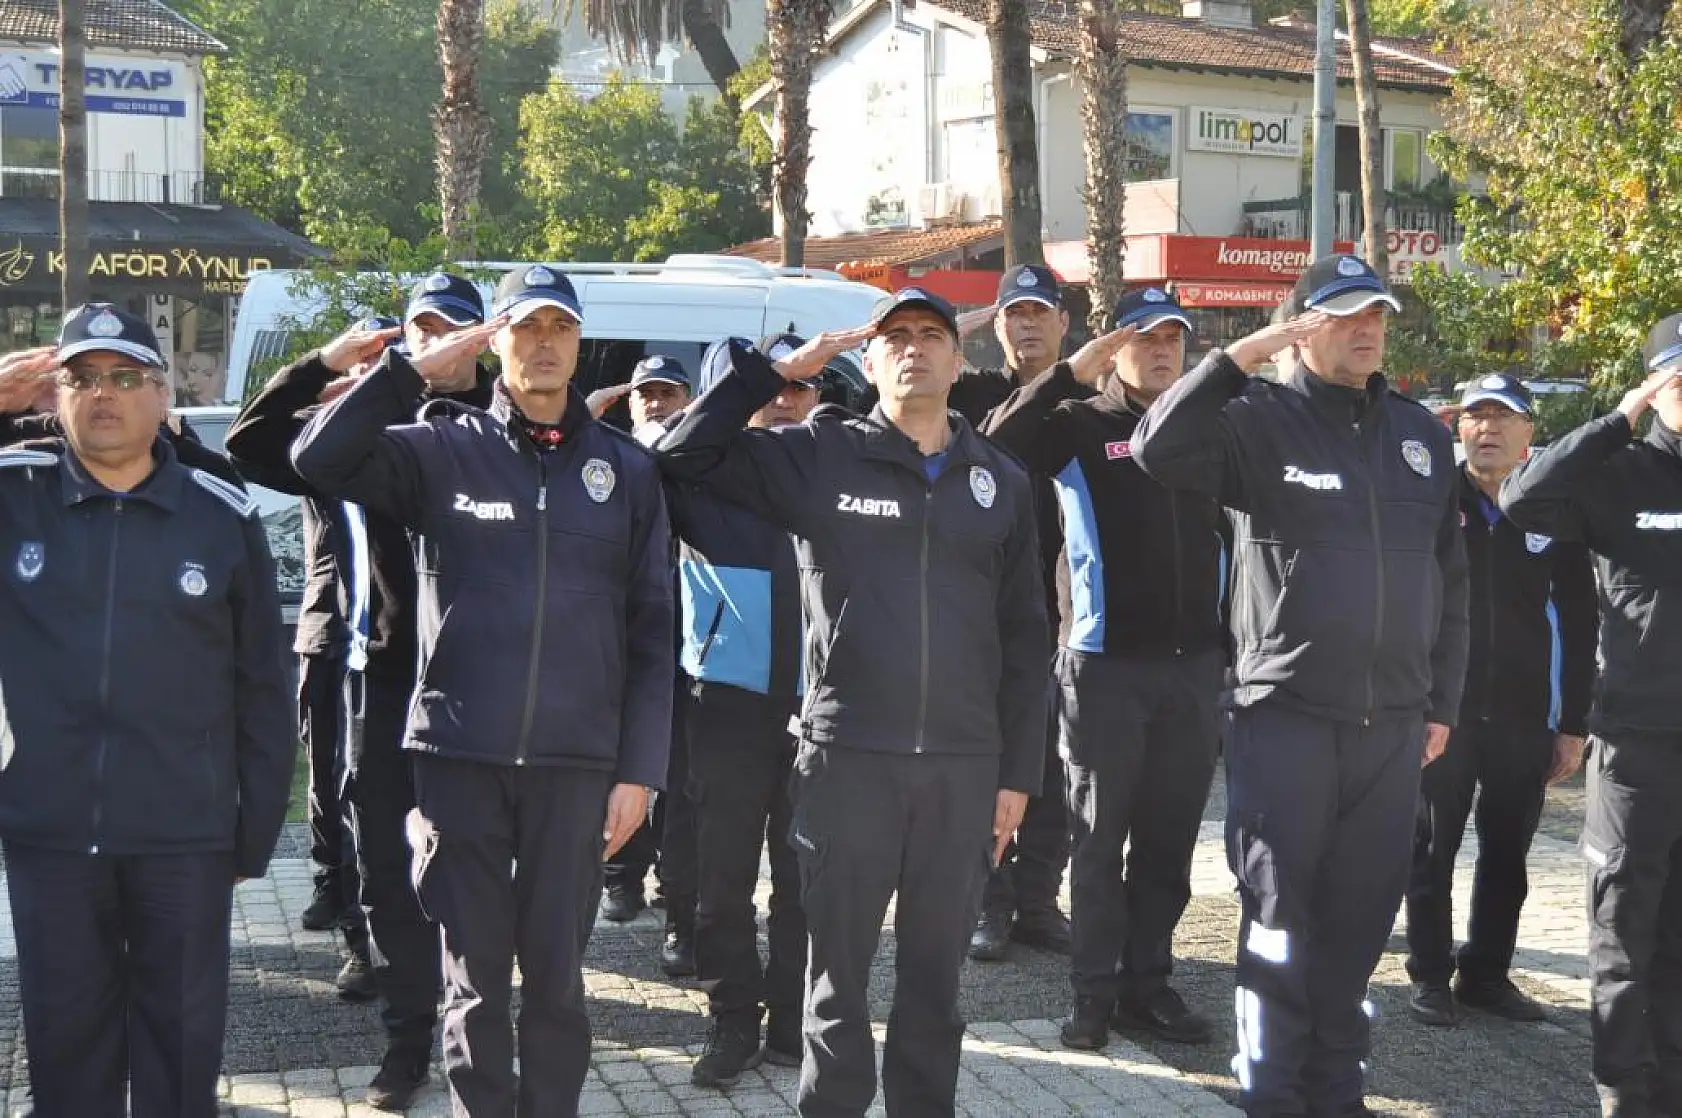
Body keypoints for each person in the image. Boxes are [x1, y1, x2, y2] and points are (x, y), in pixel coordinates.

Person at [654, 288, 1049, 1117]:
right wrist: (768, 376)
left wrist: (1016, 773)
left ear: (956, 358)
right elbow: (681, 458)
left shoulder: (1001, 480)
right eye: (894, 337)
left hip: (963, 769)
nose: (914, 349)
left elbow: (1026, 637)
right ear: (867, 364)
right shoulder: (819, 458)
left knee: (935, 986)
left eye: (931, 335)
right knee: (835, 983)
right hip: (847, 761)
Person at [292, 264, 673, 1117]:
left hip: (576, 766)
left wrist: (640, 769)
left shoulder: (626, 470)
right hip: (460, 755)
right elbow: (316, 456)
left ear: (580, 344)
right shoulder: (437, 446)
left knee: (555, 982)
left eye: (560, 329)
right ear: (493, 340)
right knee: (473, 982)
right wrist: (409, 368)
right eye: (525, 327)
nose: (543, 345)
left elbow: (652, 632)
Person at [1131, 255, 1470, 1118]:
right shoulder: (1255, 422)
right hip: (1284, 719)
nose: (1367, 329)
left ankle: (1335, 1093)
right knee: (1282, 924)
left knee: (1357, 928)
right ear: (1300, 326)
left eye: (1378, 315)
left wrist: (1442, 705)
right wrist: (1234, 360)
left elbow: (1452, 582)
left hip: (1392, 730)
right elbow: (1156, 446)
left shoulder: (1423, 438)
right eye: (1346, 314)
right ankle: (1272, 1095)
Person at [0, 304, 294, 1117]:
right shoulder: (14, 493)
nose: (104, 395)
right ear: (53, 395)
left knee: (180, 1042)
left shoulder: (219, 513)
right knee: (65, 1045)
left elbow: (262, 686)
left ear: (162, 395)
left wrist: (253, 829)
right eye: (81, 378)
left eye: (125, 377)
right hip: (51, 834)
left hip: (183, 835)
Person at [227, 277, 496, 1110]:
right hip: (380, 681)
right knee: (386, 871)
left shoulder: (504, 426)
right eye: (423, 329)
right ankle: (410, 1041)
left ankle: (483, 1035)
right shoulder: (354, 435)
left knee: (479, 872)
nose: (439, 341)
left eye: (457, 328)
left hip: (480, 686)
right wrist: (327, 364)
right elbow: (252, 443)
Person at [983, 285, 1226, 1050]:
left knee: (1168, 844)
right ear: (1112, 344)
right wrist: (1065, 375)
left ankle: (1146, 986)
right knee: (1098, 841)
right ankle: (1092, 995)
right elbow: (996, 446)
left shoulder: (1210, 428)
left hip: (1194, 673)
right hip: (1103, 668)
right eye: (1144, 336)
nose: (1160, 350)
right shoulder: (1078, 425)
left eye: (1173, 338)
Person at [1499, 316, 1682, 1118]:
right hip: (1639, 747)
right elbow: (1523, 498)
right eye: (1679, 378)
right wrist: (1621, 416)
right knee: (1624, 930)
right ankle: (1626, 1093)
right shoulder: (1622, 472)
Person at [1404, 372, 1597, 1029]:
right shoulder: (1432, 500)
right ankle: (1429, 974)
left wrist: (1572, 723)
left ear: (1528, 435)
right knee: (1430, 850)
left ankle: (1487, 974)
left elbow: (1579, 618)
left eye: (1502, 418)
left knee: (1508, 854)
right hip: (1443, 716)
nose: (1487, 429)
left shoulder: (1554, 508)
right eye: (1475, 418)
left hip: (1523, 718)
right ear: (1459, 430)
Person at [677, 335, 816, 1088]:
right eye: (771, 387)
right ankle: (733, 1019)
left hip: (817, 715)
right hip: (727, 710)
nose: (785, 400)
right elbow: (674, 448)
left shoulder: (833, 473)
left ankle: (793, 1022)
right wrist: (747, 389)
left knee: (806, 880)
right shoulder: (698, 480)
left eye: (801, 387)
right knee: (722, 881)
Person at [963, 264, 1080, 963]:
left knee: (1055, 772)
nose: (1027, 325)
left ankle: (1038, 901)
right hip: (988, 618)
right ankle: (990, 904)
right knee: (990, 764)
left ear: (1065, 322)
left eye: (1040, 313)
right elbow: (876, 372)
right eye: (1014, 314)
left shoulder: (1088, 400)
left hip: (1069, 620)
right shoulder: (971, 394)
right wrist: (961, 323)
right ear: (996, 325)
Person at [599, 355, 701, 979]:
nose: (657, 403)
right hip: (626, 637)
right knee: (625, 761)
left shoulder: (697, 456)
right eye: (646, 395)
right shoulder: (608, 458)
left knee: (680, 770)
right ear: (629, 402)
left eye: (668, 393)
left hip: (690, 640)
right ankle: (620, 877)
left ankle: (673, 885)